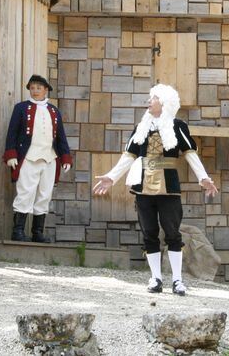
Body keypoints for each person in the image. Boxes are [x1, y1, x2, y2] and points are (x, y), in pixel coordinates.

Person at [92, 84, 218, 295]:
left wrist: (203, 177)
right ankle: (156, 278)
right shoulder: (142, 126)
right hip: (143, 188)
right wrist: (111, 177)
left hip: (169, 189)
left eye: (153, 98)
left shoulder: (178, 126)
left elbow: (189, 153)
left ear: (164, 103)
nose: (149, 102)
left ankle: (177, 280)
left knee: (172, 233)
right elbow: (129, 156)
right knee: (149, 233)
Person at [3, 75, 73, 243]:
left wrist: (66, 158)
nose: (35, 91)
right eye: (32, 88)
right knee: (25, 192)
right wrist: (11, 154)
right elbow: (12, 133)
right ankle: (18, 231)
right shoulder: (21, 108)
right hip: (28, 158)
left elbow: (60, 137)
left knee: (44, 195)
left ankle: (37, 232)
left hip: (49, 159)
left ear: (45, 90)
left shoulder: (54, 111)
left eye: (38, 88)